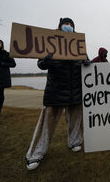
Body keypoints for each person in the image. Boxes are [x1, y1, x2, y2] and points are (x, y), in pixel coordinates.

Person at [26, 18, 90, 170]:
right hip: (56, 89)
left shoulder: (78, 45)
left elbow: (86, 61)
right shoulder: (50, 42)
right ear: (60, 26)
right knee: (47, 123)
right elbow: (41, 64)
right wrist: (46, 60)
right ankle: (35, 154)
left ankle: (74, 142)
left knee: (75, 119)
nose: (68, 26)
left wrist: (87, 62)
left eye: (70, 24)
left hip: (75, 90)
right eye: (65, 24)